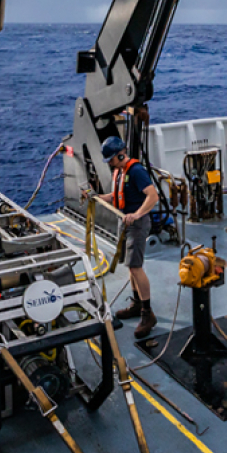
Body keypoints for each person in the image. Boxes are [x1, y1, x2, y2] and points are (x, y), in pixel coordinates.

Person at [89, 136, 159, 338]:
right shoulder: (119, 172)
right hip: (125, 222)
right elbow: (116, 196)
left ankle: (147, 313)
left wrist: (137, 214)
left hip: (136, 224)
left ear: (121, 155)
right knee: (130, 266)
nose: (110, 163)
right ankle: (137, 303)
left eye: (112, 159)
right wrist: (96, 197)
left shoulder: (136, 171)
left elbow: (153, 196)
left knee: (136, 267)